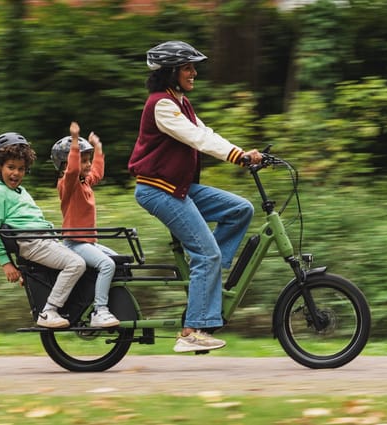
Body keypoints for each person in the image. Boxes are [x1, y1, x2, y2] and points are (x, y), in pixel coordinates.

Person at [128, 40, 263, 353]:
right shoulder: (161, 104)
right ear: (172, 71)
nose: (194, 72)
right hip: (157, 190)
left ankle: (208, 275)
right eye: (188, 67)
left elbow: (208, 132)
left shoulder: (180, 102)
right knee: (207, 254)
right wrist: (237, 157)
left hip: (179, 187)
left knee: (240, 210)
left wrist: (244, 152)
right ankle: (191, 331)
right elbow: (196, 138)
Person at [0, 132, 87, 328]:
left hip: (42, 240)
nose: (16, 173)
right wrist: (5, 263)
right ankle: (49, 311)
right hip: (30, 242)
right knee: (76, 264)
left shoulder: (20, 191)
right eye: (11, 167)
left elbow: (32, 219)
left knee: (82, 257)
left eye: (21, 169)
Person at [51, 122, 120, 328]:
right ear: (66, 165)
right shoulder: (67, 183)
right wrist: (74, 141)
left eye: (88, 161)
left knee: (118, 260)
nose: (88, 165)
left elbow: (97, 173)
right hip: (75, 243)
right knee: (107, 264)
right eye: (84, 161)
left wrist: (97, 149)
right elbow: (72, 170)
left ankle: (101, 301)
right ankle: (100, 311)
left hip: (87, 242)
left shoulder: (84, 182)